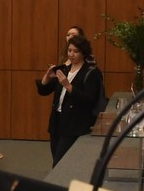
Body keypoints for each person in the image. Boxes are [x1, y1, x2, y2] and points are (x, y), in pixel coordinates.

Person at [35, 35, 102, 164]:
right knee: (56, 159)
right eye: (69, 50)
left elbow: (88, 99)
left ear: (83, 53)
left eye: (75, 51)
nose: (71, 54)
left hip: (74, 122)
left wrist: (68, 86)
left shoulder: (91, 72)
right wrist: (47, 77)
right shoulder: (64, 69)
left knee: (60, 163)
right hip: (57, 121)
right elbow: (43, 91)